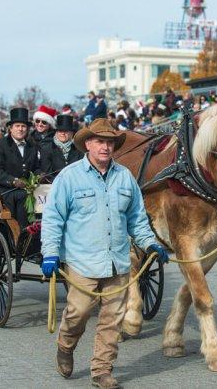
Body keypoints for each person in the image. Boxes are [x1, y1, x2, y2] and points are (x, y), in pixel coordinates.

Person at [41, 118, 169, 388]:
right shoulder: (69, 177)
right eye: (100, 141)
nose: (105, 147)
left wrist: (150, 243)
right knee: (78, 313)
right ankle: (65, 346)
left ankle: (102, 371)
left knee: (112, 320)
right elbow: (53, 219)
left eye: (110, 142)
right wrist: (50, 253)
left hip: (118, 262)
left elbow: (137, 219)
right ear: (87, 143)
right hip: (82, 261)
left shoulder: (125, 177)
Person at [0, 108, 39, 230]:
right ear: (10, 128)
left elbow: (35, 168)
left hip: (26, 188)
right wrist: (13, 181)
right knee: (23, 196)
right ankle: (23, 233)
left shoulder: (32, 146)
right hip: (5, 189)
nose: (20, 129)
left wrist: (40, 175)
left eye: (23, 126)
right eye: (17, 126)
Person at [39, 114, 84, 182]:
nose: (62, 133)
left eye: (66, 131)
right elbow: (47, 174)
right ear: (56, 132)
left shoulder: (79, 150)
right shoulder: (47, 149)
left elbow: (81, 171)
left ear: (71, 133)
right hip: (53, 185)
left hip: (75, 184)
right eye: (60, 130)